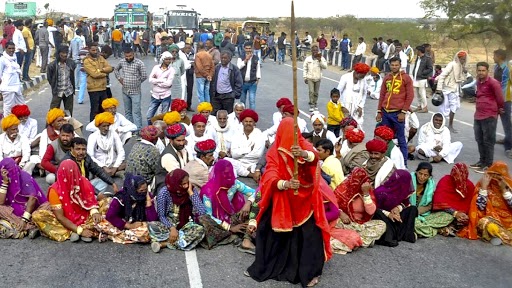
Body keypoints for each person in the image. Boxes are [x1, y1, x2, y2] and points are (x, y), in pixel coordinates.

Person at [245, 117, 331, 287]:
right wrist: (285, 184)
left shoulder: (301, 144)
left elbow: (314, 157)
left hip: (304, 201)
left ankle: (309, 273)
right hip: (282, 199)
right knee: (269, 232)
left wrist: (304, 154)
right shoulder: (275, 152)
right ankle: (268, 266)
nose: (292, 136)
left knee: (309, 237)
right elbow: (269, 177)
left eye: (294, 132)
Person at [32, 160, 102, 242]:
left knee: (107, 203)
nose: (70, 177)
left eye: (73, 174)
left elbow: (91, 201)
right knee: (37, 216)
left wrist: (94, 211)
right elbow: (60, 217)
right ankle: (74, 231)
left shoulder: (84, 182)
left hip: (85, 217)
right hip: (65, 220)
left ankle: (82, 231)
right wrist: (80, 231)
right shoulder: (55, 190)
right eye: (67, 174)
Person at [198, 160, 255, 249]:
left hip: (231, 216)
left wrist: (248, 203)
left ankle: (245, 237)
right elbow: (208, 215)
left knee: (257, 205)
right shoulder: (208, 191)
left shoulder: (234, 183)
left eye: (230, 172)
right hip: (216, 221)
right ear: (218, 174)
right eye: (225, 173)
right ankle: (235, 234)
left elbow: (256, 193)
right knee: (203, 220)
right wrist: (229, 227)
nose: (229, 176)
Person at [151, 169, 206, 252]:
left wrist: (191, 193)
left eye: (187, 182)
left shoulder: (190, 190)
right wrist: (172, 228)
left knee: (200, 230)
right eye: (183, 184)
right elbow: (161, 216)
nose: (186, 186)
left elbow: (202, 212)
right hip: (168, 226)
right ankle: (180, 240)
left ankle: (166, 243)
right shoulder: (164, 193)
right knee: (152, 225)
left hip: (186, 225)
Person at [458, 161, 512, 246]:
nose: (495, 177)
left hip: (509, 221)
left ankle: (500, 236)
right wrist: (484, 188)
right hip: (493, 219)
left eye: (499, 175)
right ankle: (502, 236)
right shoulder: (483, 185)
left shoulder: (509, 186)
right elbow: (480, 208)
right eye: (493, 174)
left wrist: (504, 191)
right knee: (485, 223)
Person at [96, 173, 158, 244]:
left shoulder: (148, 196)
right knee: (101, 223)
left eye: (145, 190)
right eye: (141, 191)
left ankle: (112, 235)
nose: (144, 192)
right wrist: (129, 226)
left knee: (150, 230)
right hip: (121, 222)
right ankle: (120, 235)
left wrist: (148, 201)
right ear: (133, 189)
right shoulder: (121, 197)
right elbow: (110, 216)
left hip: (138, 223)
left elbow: (152, 220)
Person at [333, 168, 387, 248]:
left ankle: (356, 240)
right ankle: (358, 239)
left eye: (359, 181)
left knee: (381, 225)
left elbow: (371, 212)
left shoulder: (367, 192)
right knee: (334, 221)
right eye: (354, 180)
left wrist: (365, 193)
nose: (355, 183)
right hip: (345, 222)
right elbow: (331, 204)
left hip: (361, 224)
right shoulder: (343, 188)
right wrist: (340, 212)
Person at [377, 56, 414, 166]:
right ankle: (384, 161)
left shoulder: (406, 78)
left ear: (400, 65)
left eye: (396, 65)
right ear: (390, 65)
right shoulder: (387, 78)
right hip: (385, 112)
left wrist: (403, 112)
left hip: (397, 113)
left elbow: (410, 96)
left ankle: (404, 163)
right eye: (392, 65)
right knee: (384, 138)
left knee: (401, 138)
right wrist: (379, 111)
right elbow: (382, 95)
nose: (394, 67)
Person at [0, 158, 48, 239]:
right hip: (15, 208)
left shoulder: (24, 177)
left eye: (10, 171)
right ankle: (29, 227)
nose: (8, 174)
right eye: (4, 172)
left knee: (41, 213)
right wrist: (5, 182)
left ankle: (23, 226)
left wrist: (24, 219)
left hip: (33, 209)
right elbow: (1, 202)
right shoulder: (2, 178)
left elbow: (32, 198)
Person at [471, 62, 504, 173]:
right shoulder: (478, 82)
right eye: (479, 70)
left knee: (488, 141)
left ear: (487, 71)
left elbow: (500, 98)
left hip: (489, 115)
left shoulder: (493, 83)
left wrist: (499, 109)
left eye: (483, 70)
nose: (481, 72)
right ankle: (482, 161)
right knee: (479, 139)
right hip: (478, 115)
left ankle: (488, 165)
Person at [371, 169, 418, 247]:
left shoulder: (403, 191)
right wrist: (388, 214)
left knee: (413, 209)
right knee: (377, 213)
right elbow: (373, 209)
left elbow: (406, 203)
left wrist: (398, 209)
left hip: (396, 217)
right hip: (384, 217)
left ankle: (405, 234)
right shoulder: (381, 192)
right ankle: (392, 236)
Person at [410, 162, 454, 238]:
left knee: (449, 216)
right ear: (416, 172)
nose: (422, 177)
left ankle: (421, 229)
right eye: (420, 173)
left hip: (423, 215)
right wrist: (413, 212)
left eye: (425, 175)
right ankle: (438, 230)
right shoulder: (409, 181)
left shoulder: (430, 185)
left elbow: (430, 205)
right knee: (413, 223)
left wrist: (417, 211)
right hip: (409, 214)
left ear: (429, 176)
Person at [432, 163, 476, 236]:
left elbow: (471, 205)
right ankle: (444, 228)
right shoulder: (445, 181)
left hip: (462, 215)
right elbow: (439, 203)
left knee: (472, 219)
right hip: (446, 213)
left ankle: (445, 229)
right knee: (447, 218)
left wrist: (464, 215)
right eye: (457, 177)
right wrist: (455, 213)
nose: (459, 179)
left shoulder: (469, 185)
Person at [125, 126, 166, 193]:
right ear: (154, 139)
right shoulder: (152, 150)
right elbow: (158, 169)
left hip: (129, 180)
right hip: (144, 183)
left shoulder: (136, 145)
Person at [114, 47, 147, 130]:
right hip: (125, 91)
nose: (128, 58)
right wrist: (119, 78)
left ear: (133, 54)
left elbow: (144, 76)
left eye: (130, 56)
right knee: (128, 111)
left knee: (136, 111)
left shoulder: (139, 63)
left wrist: (137, 82)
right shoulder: (122, 62)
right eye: (126, 56)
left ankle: (138, 129)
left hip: (136, 91)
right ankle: (130, 128)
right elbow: (116, 69)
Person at [435, 51, 468, 133]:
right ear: (459, 58)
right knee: (444, 109)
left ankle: (450, 125)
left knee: (454, 107)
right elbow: (442, 76)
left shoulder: (462, 66)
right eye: (462, 59)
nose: (463, 61)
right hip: (447, 89)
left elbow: (463, 79)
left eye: (464, 59)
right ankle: (439, 125)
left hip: (455, 90)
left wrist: (465, 72)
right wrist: (439, 88)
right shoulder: (452, 64)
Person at [87, 112, 126, 178]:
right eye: (104, 126)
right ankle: (111, 173)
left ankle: (110, 173)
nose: (106, 128)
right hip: (100, 166)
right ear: (98, 126)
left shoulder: (114, 134)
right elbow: (90, 156)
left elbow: (121, 152)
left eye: (108, 126)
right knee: (91, 166)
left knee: (128, 164)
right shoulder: (93, 136)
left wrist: (115, 167)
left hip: (114, 164)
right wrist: (104, 167)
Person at [228, 109, 265, 178]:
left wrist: (240, 154)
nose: (248, 123)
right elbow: (233, 154)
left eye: (250, 121)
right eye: (246, 121)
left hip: (253, 164)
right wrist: (249, 149)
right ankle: (250, 174)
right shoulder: (237, 133)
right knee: (226, 161)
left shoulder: (259, 134)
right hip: (238, 163)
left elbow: (257, 154)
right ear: (242, 122)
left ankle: (245, 172)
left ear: (254, 123)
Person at [83, 42, 114, 121]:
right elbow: (94, 74)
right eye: (93, 50)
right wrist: (104, 73)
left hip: (103, 88)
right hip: (94, 89)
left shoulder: (101, 58)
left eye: (96, 50)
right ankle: (93, 128)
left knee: (104, 109)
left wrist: (100, 70)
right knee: (95, 110)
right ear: (89, 50)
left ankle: (103, 125)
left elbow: (110, 68)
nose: (95, 52)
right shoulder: (86, 61)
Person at [337, 63, 370, 127]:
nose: (362, 78)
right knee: (345, 126)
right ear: (357, 72)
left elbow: (364, 94)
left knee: (357, 126)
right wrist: (342, 106)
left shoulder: (364, 80)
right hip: (345, 106)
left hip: (357, 107)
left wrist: (361, 106)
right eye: (362, 76)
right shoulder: (345, 77)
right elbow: (338, 92)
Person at [147, 51, 175, 125]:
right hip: (155, 95)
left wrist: (156, 82)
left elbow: (169, 83)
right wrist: (162, 80)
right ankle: (151, 130)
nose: (168, 61)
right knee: (149, 116)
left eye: (170, 59)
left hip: (166, 95)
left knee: (164, 117)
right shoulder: (156, 68)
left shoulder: (172, 70)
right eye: (167, 59)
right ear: (163, 59)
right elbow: (150, 79)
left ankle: (163, 132)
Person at [47, 45, 76, 115]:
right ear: (59, 53)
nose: (65, 55)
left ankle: (67, 125)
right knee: (53, 112)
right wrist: (54, 86)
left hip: (68, 91)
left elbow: (72, 75)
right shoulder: (52, 65)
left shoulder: (71, 63)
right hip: (58, 91)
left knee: (68, 113)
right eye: (63, 53)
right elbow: (50, 78)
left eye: (66, 53)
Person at [0, 41, 24, 117]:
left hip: (16, 86)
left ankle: (20, 123)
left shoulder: (14, 57)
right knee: (8, 108)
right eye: (9, 48)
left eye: (13, 48)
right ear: (5, 49)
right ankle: (7, 125)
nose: (11, 50)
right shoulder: (2, 59)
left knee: (21, 105)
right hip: (7, 87)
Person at [303, 45, 327, 112]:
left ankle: (315, 103)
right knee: (311, 91)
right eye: (313, 50)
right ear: (311, 51)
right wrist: (305, 77)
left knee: (316, 92)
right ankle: (311, 104)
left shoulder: (321, 58)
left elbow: (325, 67)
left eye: (316, 50)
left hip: (318, 78)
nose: (315, 52)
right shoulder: (308, 59)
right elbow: (305, 68)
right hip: (310, 78)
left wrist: (320, 61)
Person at [238, 43, 261, 110]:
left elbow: (258, 69)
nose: (248, 50)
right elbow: (239, 67)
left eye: (249, 48)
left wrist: (258, 79)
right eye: (247, 48)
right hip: (242, 82)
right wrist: (246, 60)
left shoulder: (255, 58)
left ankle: (252, 116)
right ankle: (242, 116)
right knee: (242, 101)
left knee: (252, 101)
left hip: (252, 83)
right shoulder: (241, 57)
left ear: (252, 49)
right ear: (244, 49)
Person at [412, 45, 433, 113]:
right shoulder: (418, 58)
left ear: (419, 51)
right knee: (418, 93)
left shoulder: (427, 58)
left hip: (422, 78)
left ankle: (425, 107)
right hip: (416, 77)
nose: (416, 52)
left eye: (417, 51)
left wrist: (423, 73)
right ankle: (419, 106)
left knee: (422, 93)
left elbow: (430, 68)